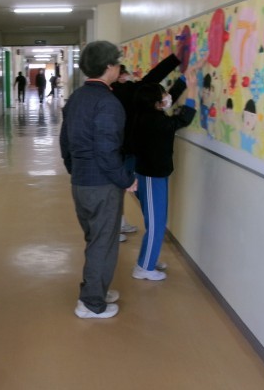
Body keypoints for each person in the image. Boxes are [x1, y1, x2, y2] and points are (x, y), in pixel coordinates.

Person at [59, 41, 137, 319]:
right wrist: (125, 179)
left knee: (95, 240)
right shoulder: (108, 102)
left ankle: (97, 290)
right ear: (108, 67)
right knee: (103, 243)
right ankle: (91, 303)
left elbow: (65, 142)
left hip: (81, 181)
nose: (119, 67)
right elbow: (106, 151)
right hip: (102, 184)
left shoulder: (77, 98)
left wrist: (75, 169)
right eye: (117, 63)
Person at [131, 68, 198, 281]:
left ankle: (148, 259)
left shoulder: (149, 114)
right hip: (151, 177)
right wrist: (193, 91)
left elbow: (172, 97)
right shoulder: (153, 121)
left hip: (154, 175)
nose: (167, 97)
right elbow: (182, 119)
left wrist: (185, 79)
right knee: (157, 224)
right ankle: (144, 267)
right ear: (156, 103)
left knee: (156, 221)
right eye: (163, 95)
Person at [112, 56, 183, 245]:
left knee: (123, 188)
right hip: (127, 149)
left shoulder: (117, 92)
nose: (128, 76)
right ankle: (117, 227)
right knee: (125, 188)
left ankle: (119, 224)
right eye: (124, 73)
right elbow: (154, 78)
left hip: (125, 148)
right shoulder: (128, 92)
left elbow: (159, 96)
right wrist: (176, 59)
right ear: (118, 76)